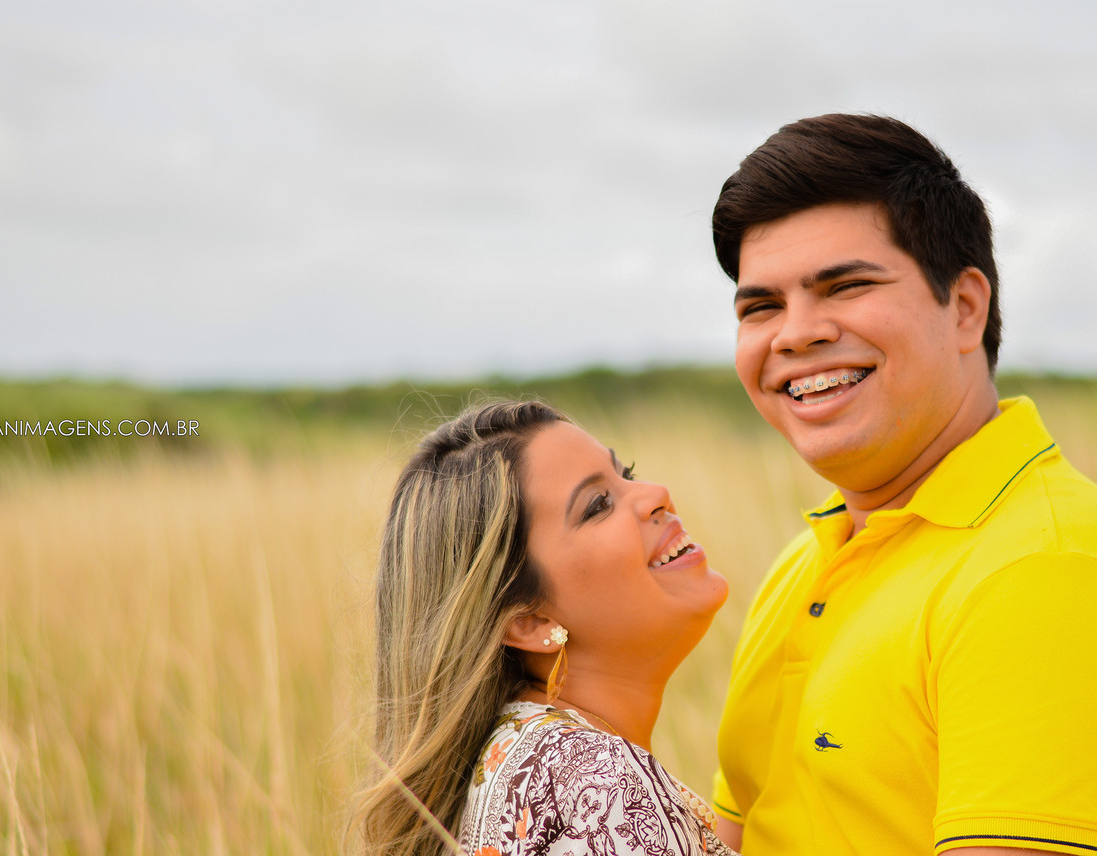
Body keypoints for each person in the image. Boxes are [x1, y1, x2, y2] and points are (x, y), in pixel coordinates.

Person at [708, 113, 1097, 855]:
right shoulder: (802, 564)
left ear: (965, 307)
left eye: (845, 286)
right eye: (761, 306)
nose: (795, 333)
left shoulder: (1041, 568)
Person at [353, 400, 738, 856]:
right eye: (598, 505)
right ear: (529, 621)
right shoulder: (601, 784)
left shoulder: (515, 756)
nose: (656, 492)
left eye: (627, 473)